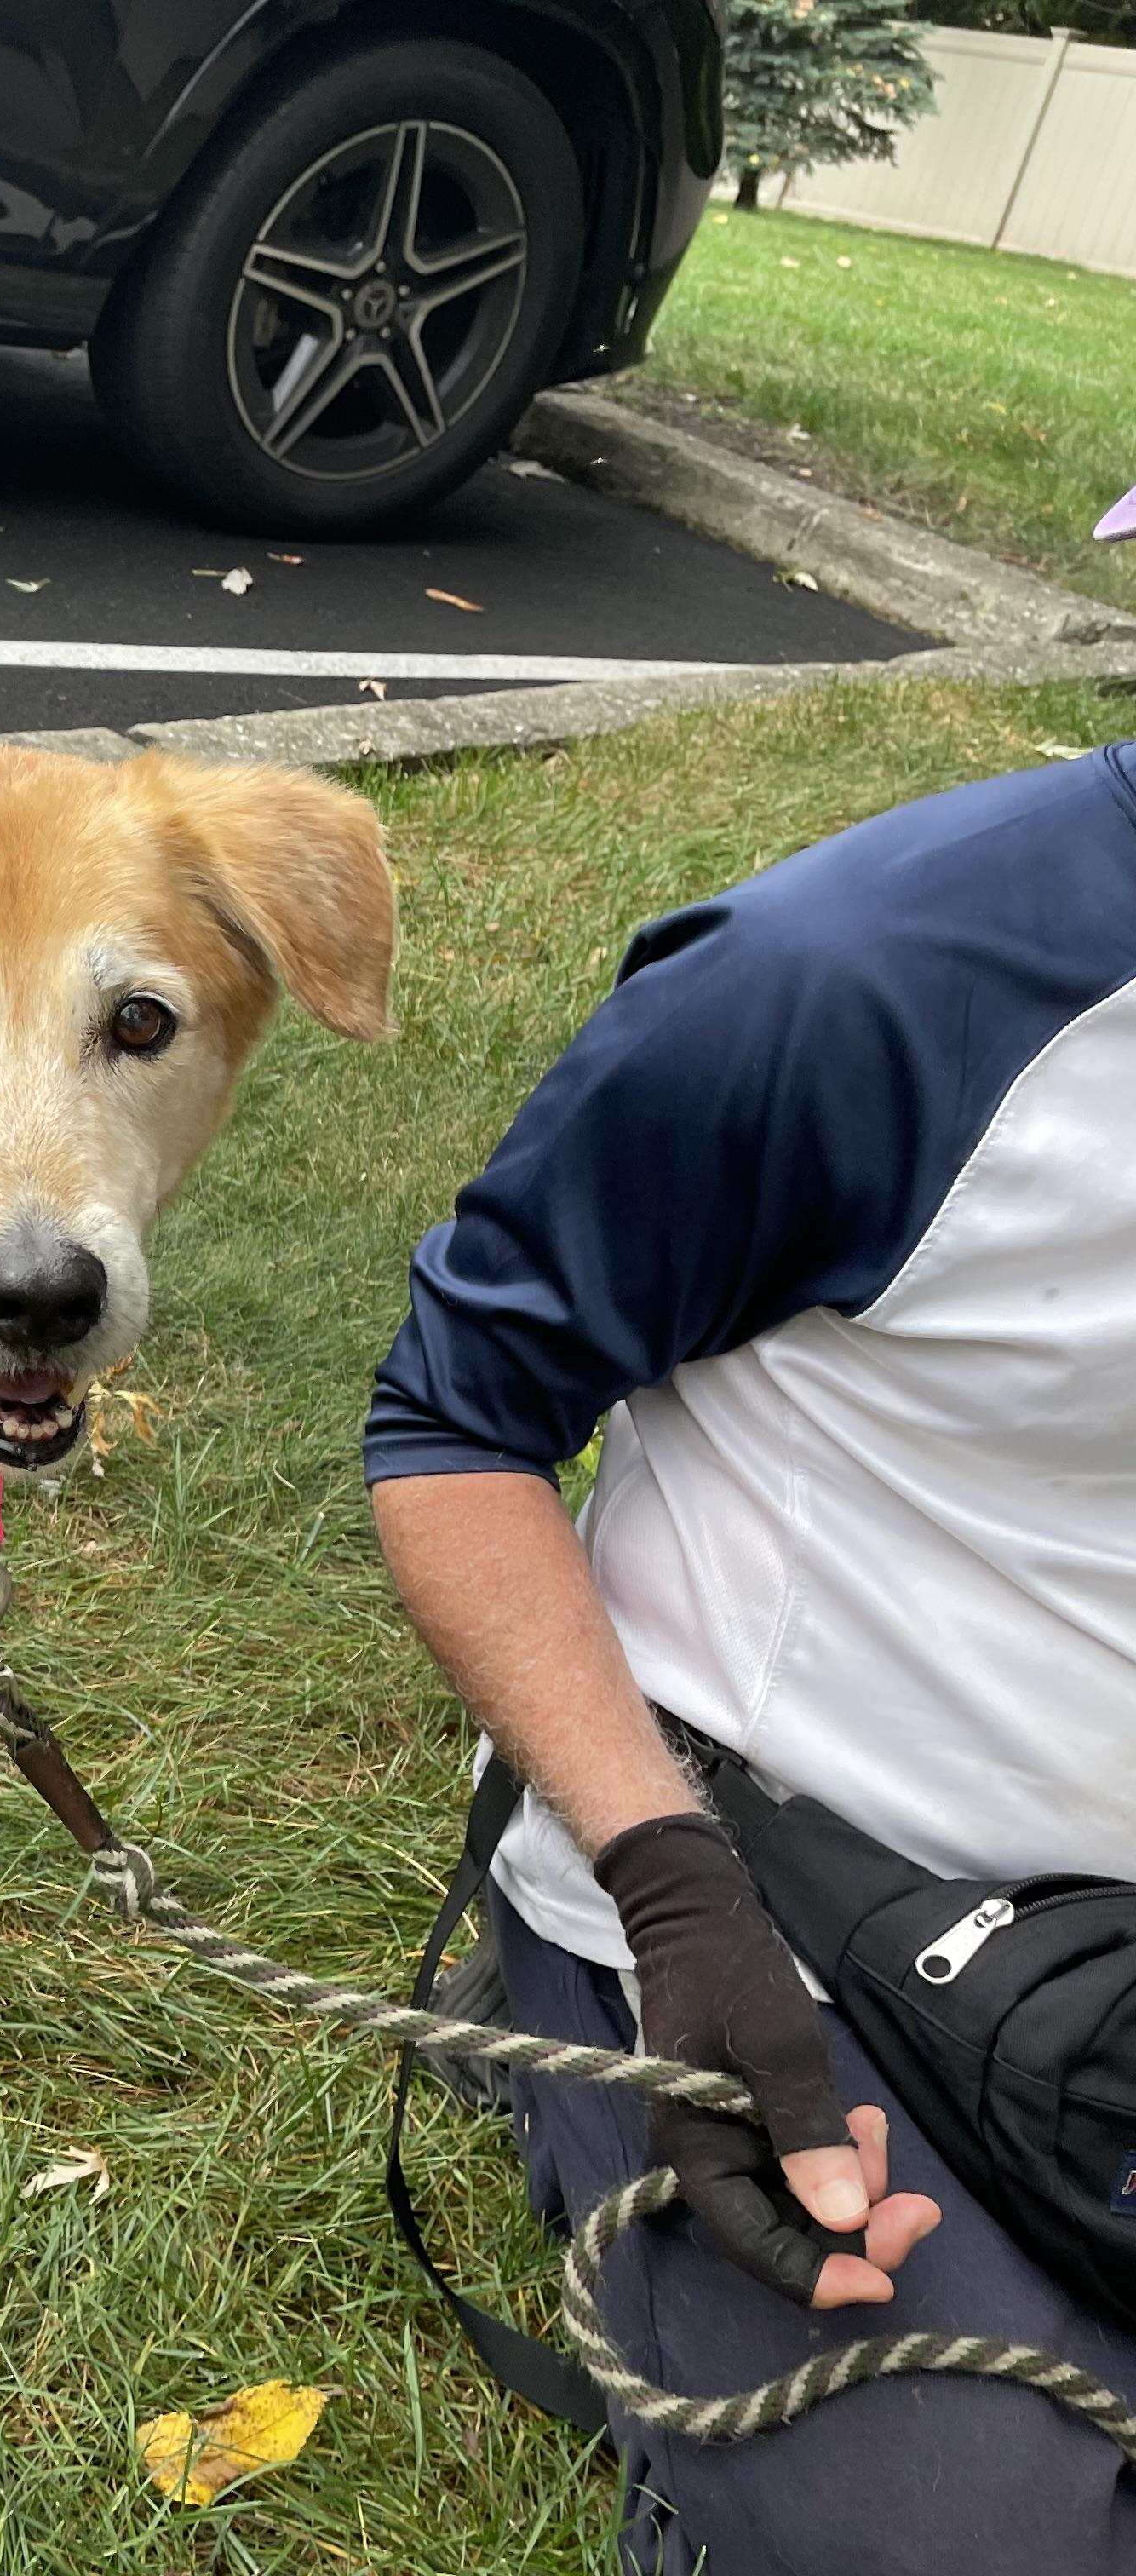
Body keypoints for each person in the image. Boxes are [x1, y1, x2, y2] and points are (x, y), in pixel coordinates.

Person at [364, 498, 1136, 2575]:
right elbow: (452, 1429)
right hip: (786, 1909)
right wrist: (666, 1874)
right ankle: (583, 2094)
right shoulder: (870, 986)